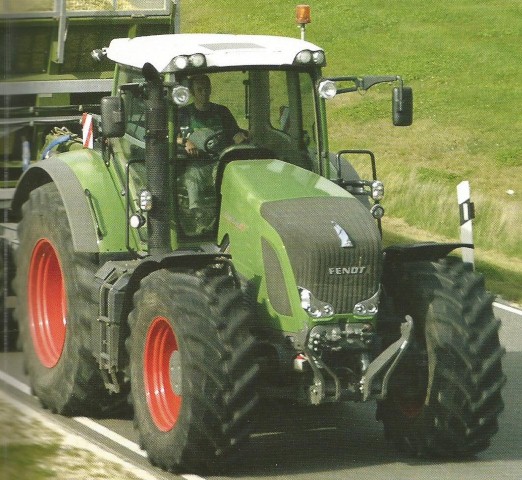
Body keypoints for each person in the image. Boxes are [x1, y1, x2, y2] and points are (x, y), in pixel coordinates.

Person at [176, 74, 247, 234]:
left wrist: (242, 138)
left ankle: (225, 221)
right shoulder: (183, 114)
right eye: (199, 90)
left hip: (219, 161)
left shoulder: (222, 112)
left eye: (206, 89)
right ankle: (199, 220)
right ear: (192, 92)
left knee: (224, 179)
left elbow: (234, 134)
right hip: (197, 163)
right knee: (192, 179)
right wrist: (185, 142)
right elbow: (171, 137)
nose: (204, 93)